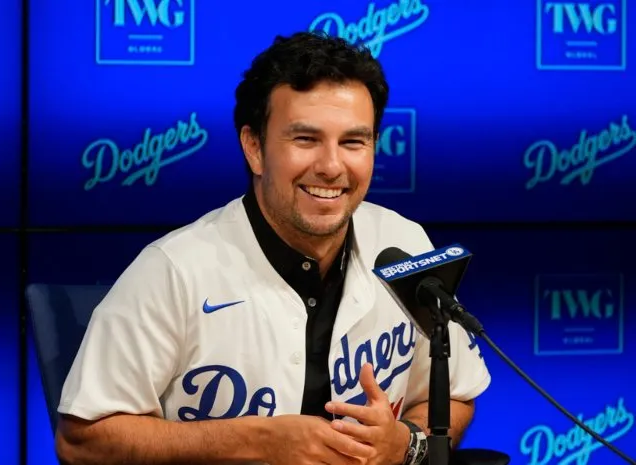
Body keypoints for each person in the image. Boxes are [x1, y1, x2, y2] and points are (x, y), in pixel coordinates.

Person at [54, 31, 491, 465]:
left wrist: (406, 444)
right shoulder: (173, 269)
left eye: (353, 142)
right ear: (255, 148)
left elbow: (455, 395)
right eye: (305, 140)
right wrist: (259, 441)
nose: (332, 166)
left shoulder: (404, 244)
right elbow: (82, 441)